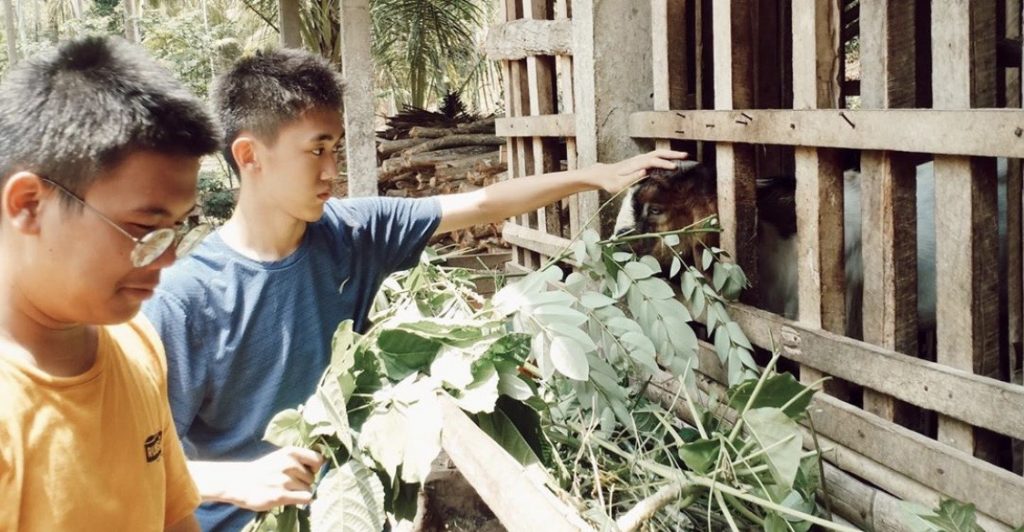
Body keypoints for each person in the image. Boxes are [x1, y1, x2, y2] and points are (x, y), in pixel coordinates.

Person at [142, 47, 688, 531]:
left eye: (336, 149)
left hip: (346, 510)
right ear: (249, 156)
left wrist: (596, 175)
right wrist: (236, 481)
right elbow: (127, 461)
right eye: (316, 150)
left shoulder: (354, 233)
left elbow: (482, 203)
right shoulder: (183, 300)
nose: (332, 170)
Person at [0, 36, 221, 531]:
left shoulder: (135, 341)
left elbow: (172, 516)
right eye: (144, 229)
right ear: (29, 205)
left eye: (179, 228)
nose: (168, 258)